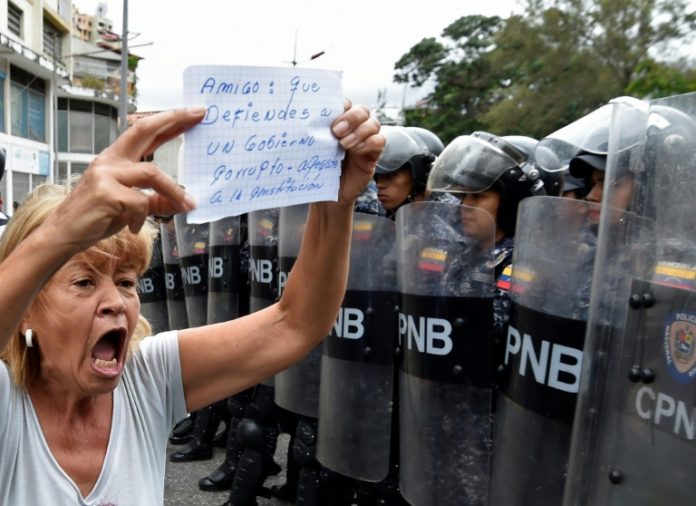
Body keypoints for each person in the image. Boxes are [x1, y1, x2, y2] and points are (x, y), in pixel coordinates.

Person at [0, 104, 383, 504]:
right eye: (83, 282)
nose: (115, 302)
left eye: (127, 281)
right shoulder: (8, 405)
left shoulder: (147, 377)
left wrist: (335, 204)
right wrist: (59, 232)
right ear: (26, 307)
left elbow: (296, 323)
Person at [374, 126, 437, 217]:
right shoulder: (377, 212)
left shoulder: (451, 215)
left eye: (391, 175)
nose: (379, 184)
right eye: (377, 175)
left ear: (423, 176)